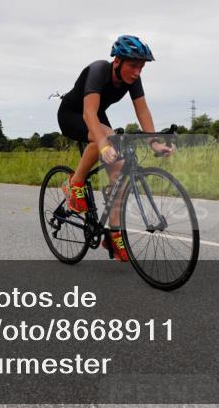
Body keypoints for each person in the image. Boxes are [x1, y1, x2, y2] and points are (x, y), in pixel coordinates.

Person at [57, 35, 174, 261]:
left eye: (142, 67)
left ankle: (113, 234)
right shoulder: (99, 70)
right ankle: (74, 185)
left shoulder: (133, 79)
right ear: (117, 61)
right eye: (133, 65)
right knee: (105, 138)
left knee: (118, 170)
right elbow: (88, 113)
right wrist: (101, 143)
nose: (137, 71)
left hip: (96, 115)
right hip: (72, 114)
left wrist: (154, 142)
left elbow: (142, 111)